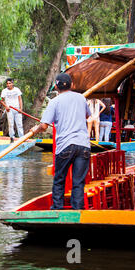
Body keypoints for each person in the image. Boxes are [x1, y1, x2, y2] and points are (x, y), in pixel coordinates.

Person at [30, 73, 91, 210]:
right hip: (83, 145)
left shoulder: (54, 102)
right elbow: (87, 115)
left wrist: (35, 129)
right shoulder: (81, 98)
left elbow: (44, 126)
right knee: (78, 182)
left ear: (56, 86)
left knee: (59, 180)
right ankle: (78, 211)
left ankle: (57, 209)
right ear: (72, 85)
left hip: (65, 146)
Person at [0, 78, 24, 143]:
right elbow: (1, 101)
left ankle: (21, 138)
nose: (8, 85)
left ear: (12, 83)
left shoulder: (17, 90)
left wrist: (21, 109)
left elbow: (20, 100)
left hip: (17, 109)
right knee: (11, 124)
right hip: (9, 109)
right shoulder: (4, 91)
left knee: (19, 124)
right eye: (7, 83)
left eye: (9, 83)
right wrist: (6, 107)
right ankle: (12, 138)